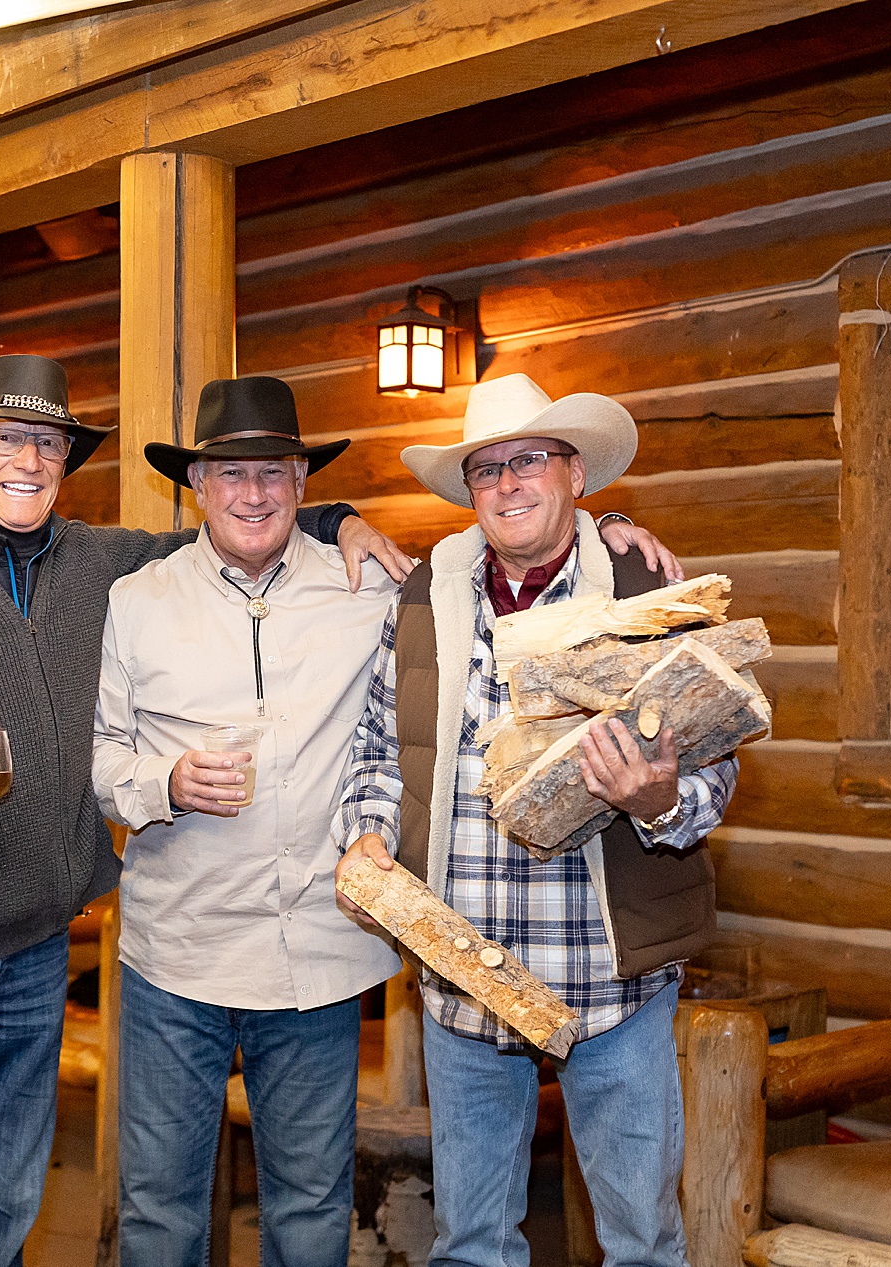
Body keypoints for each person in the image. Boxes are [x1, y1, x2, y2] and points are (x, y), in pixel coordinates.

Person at [0, 353, 408, 1267]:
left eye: (49, 442)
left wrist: (339, 520)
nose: (29, 459)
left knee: (0, 1210)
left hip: (33, 946)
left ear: (67, 460)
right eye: (8, 437)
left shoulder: (104, 563)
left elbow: (247, 523)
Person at [92, 375, 683, 1267]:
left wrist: (611, 533)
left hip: (443, 964)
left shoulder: (393, 585)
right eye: (230, 473)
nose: (253, 492)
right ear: (196, 485)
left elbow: (705, 757)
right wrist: (173, 782)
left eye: (274, 471)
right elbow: (369, 749)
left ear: (303, 483)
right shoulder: (151, 600)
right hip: (238, 952)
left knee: (319, 1213)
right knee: (170, 1217)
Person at [334, 372, 734, 1267]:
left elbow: (717, 763)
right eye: (487, 468)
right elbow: (377, 746)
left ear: (575, 474)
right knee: (471, 1245)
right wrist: (367, 832)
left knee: (642, 1245)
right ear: (469, 490)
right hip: (465, 971)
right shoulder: (425, 596)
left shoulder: (641, 587)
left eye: (530, 461)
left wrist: (659, 800)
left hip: (611, 979)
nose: (508, 483)